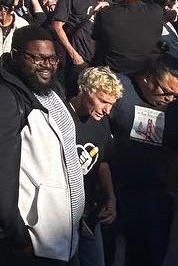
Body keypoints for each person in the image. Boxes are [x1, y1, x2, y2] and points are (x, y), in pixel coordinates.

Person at [0, 25, 84, 265]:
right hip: (25, 238)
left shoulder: (49, 89)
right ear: (15, 55)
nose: (46, 65)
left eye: (52, 59)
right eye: (37, 58)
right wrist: (18, 238)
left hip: (55, 234)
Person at [106, 54, 178, 265]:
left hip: (153, 194)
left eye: (177, 95)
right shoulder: (118, 90)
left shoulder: (176, 108)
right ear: (147, 77)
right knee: (102, 253)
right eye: (166, 91)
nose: (169, 99)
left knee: (148, 255)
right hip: (111, 188)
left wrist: (170, 192)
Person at [67, 66, 122, 266]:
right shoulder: (62, 117)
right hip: (62, 216)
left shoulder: (101, 121)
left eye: (112, 104)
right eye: (102, 101)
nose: (107, 110)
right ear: (83, 90)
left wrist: (110, 198)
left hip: (90, 213)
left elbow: (102, 161)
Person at [91, 0, 168, 74]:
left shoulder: (105, 14)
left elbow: (97, 40)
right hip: (147, 73)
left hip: (115, 73)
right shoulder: (156, 11)